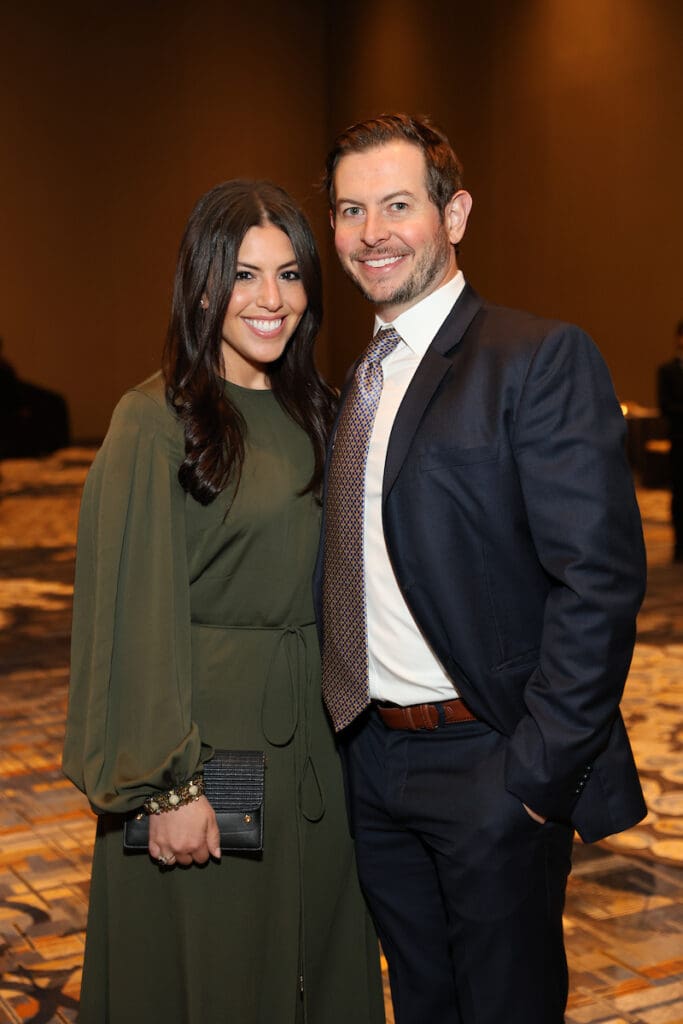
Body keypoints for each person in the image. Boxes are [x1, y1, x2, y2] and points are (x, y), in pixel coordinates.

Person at [314, 114, 647, 1024]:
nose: (371, 231)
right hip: (370, 757)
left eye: (396, 204)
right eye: (350, 210)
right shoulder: (356, 384)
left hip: (490, 762)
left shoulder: (534, 358)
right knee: (420, 1000)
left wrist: (535, 777)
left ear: (452, 215)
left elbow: (599, 580)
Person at [63, 180, 385, 1024]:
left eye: (289, 274)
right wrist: (165, 788)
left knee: (314, 961)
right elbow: (127, 617)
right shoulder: (155, 420)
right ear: (201, 284)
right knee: (214, 975)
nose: (270, 300)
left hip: (314, 744)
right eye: (243, 276)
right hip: (209, 758)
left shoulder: (313, 407)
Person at [657, 320, 683, 561]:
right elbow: (665, 406)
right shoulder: (667, 371)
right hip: (680, 439)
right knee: (678, 492)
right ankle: (679, 544)